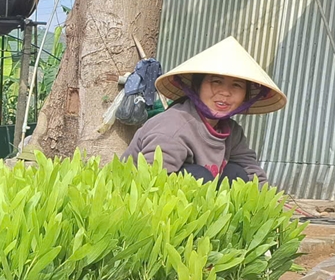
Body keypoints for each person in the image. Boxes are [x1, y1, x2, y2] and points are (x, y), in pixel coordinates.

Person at [119, 36, 286, 184]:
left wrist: (266, 202)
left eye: (236, 85)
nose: (225, 93)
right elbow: (151, 179)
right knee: (198, 176)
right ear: (197, 86)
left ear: (246, 95)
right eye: (216, 82)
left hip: (197, 201)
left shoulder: (232, 132)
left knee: (237, 174)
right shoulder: (174, 127)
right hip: (141, 197)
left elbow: (251, 171)